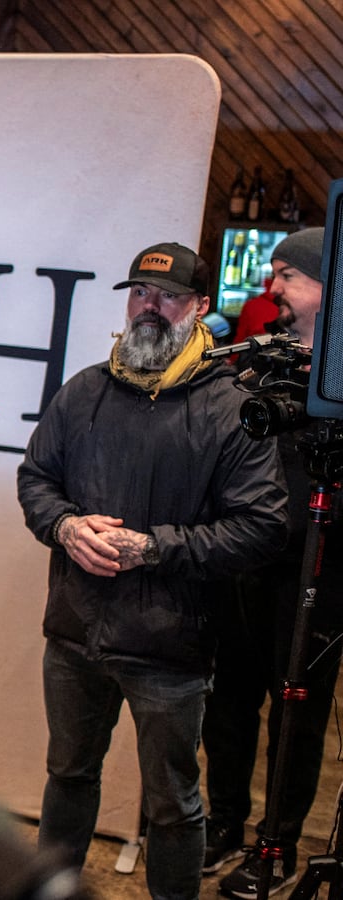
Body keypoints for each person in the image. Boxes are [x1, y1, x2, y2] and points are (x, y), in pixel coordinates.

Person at [16, 242, 287, 900]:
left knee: (172, 805)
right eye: (138, 292)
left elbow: (263, 526)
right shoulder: (84, 391)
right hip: (76, 632)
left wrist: (151, 548)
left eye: (166, 297)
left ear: (198, 309)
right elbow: (36, 481)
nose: (148, 308)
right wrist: (64, 526)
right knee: (68, 778)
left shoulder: (230, 409)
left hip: (172, 645)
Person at [202, 227, 342, 899]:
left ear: (328, 284)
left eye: (287, 274)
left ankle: (277, 844)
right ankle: (221, 825)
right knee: (227, 701)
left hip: (319, 567)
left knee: (297, 711)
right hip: (243, 558)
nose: (273, 287)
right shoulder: (265, 360)